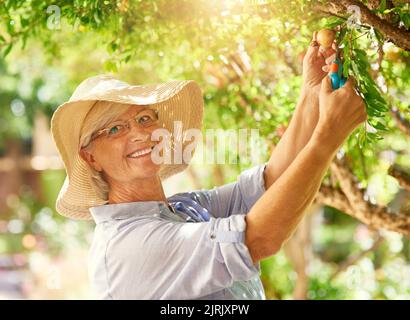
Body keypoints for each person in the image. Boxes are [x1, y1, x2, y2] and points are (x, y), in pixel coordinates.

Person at [50, 32, 366, 299]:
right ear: (89, 157)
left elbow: (269, 184)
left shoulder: (183, 209)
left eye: (145, 119)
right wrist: (327, 138)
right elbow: (258, 238)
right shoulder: (128, 246)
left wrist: (311, 96)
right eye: (115, 129)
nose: (141, 134)